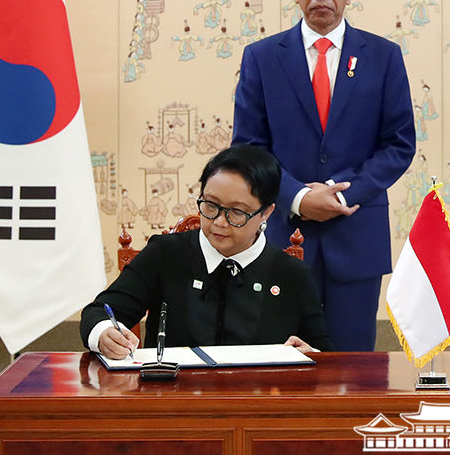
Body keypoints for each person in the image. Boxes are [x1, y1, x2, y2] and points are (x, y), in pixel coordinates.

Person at [233, 0, 416, 351]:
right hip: (281, 238)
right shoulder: (262, 58)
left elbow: (398, 144)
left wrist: (339, 193)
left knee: (353, 371)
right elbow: (248, 148)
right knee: (278, 372)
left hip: (356, 235)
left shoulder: (383, 56)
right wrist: (297, 197)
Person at [80, 145, 331, 357]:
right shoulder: (166, 254)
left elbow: (323, 351)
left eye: (237, 212)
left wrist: (311, 354)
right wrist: (104, 333)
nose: (220, 222)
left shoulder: (291, 274)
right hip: (174, 401)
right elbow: (100, 311)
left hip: (257, 406)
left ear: (266, 213)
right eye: (210, 205)